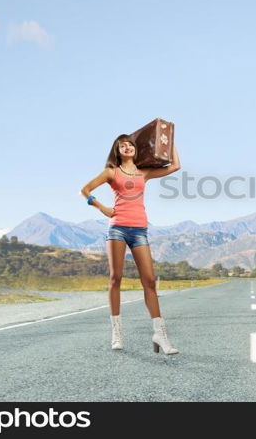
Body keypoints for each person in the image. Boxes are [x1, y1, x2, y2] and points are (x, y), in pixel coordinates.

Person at [80, 134, 181, 354]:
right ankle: (116, 332)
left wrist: (170, 139)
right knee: (116, 278)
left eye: (130, 145)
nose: (127, 147)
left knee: (150, 281)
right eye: (122, 145)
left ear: (136, 150)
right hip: (117, 228)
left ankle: (160, 334)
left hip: (139, 230)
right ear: (117, 151)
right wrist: (102, 208)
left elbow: (175, 166)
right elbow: (85, 190)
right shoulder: (111, 172)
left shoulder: (143, 173)